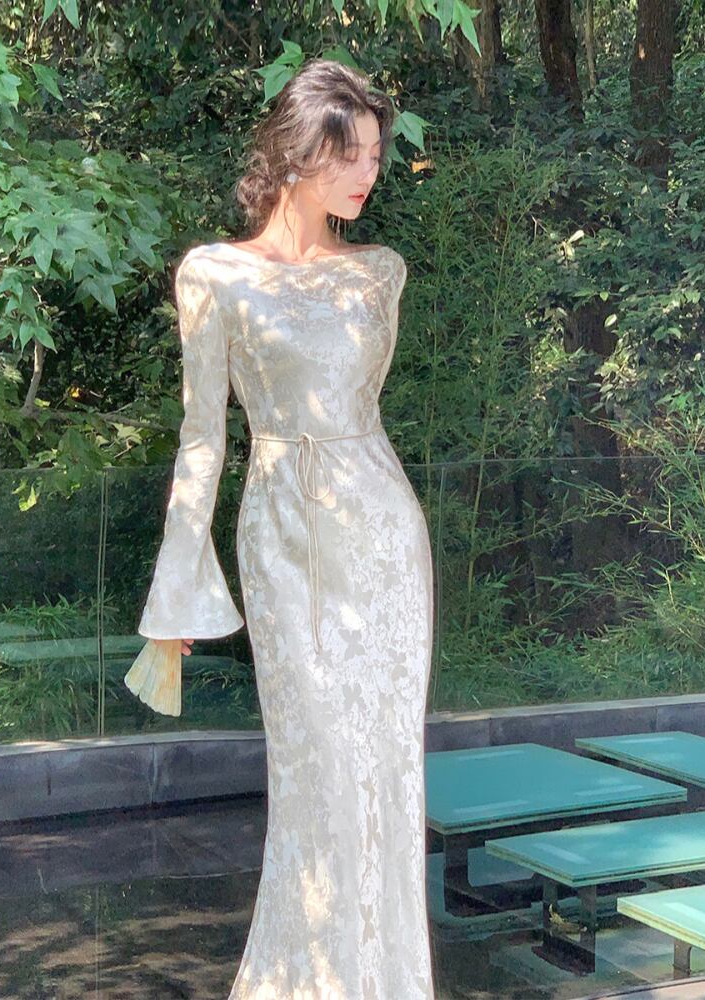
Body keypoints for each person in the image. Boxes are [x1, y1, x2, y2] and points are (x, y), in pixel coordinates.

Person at [124, 57, 435, 1000]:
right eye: (353, 155)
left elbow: (359, 417)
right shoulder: (214, 275)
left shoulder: (380, 273)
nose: (370, 174)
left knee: (384, 769)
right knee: (319, 769)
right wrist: (177, 589)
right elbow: (200, 438)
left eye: (376, 155)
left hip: (383, 537)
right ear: (300, 152)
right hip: (283, 540)